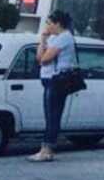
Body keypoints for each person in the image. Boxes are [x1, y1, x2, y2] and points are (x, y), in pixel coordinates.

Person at [30, 10, 78, 162]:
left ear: (58, 24)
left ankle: (47, 150)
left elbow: (45, 60)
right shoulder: (53, 37)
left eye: (49, 23)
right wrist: (43, 39)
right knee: (49, 115)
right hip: (48, 79)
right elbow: (39, 58)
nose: (47, 26)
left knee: (53, 116)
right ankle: (45, 149)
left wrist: (44, 54)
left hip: (57, 80)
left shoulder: (64, 37)